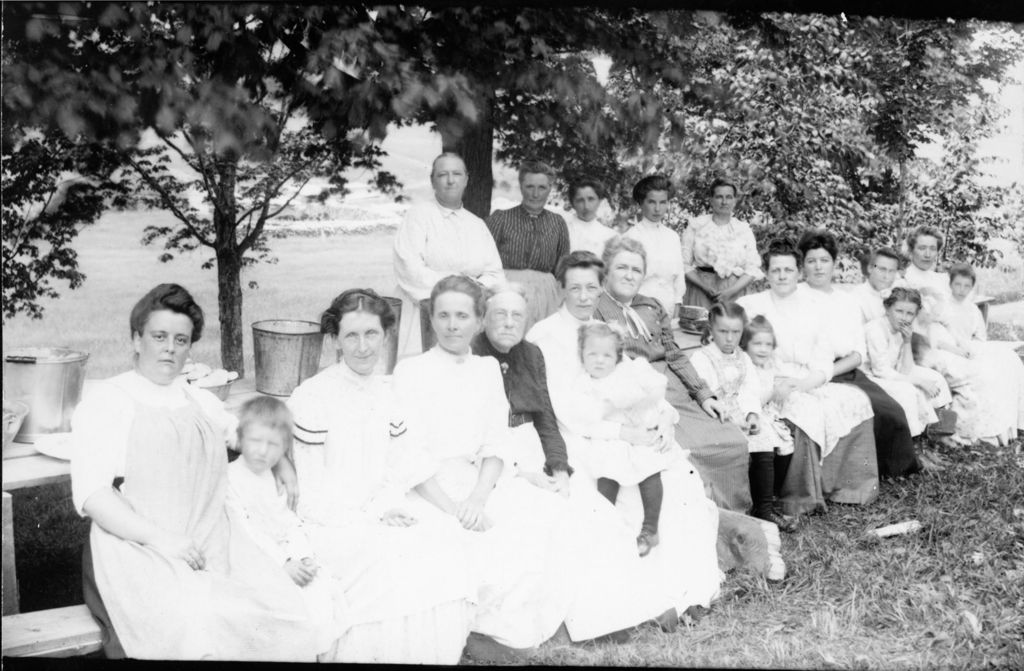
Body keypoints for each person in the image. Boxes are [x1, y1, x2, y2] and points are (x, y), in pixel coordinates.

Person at [71, 283, 334, 661]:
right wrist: (162, 539)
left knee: (283, 609)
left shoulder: (199, 399)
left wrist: (283, 461)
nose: (170, 348)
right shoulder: (108, 401)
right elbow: (94, 497)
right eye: (159, 336)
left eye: (182, 339)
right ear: (135, 339)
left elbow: (244, 436)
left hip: (211, 535)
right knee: (201, 620)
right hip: (139, 547)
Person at [470, 284, 678, 642]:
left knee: (596, 512)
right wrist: (524, 471)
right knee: (551, 523)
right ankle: (581, 618)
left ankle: (625, 605)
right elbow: (479, 434)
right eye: (499, 314)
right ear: (483, 317)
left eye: (516, 315)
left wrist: (560, 467)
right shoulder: (472, 356)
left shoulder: (531, 353)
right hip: (496, 461)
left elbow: (545, 418)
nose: (508, 323)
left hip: (532, 447)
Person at [527, 251, 725, 613]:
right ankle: (639, 601)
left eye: (591, 288)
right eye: (575, 288)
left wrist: (665, 417)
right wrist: (624, 433)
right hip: (580, 433)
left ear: (601, 288)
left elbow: (641, 381)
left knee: (676, 479)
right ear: (561, 288)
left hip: (631, 428)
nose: (584, 297)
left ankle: (682, 591)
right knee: (611, 492)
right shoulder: (546, 336)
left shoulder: (610, 329)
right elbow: (567, 410)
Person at [286, 288, 476, 664]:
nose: (362, 347)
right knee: (391, 558)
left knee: (444, 540)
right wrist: (371, 517)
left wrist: (435, 509)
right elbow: (312, 488)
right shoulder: (312, 396)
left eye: (371, 334)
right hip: (330, 523)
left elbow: (403, 464)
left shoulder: (388, 393)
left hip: (380, 508)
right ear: (335, 341)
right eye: (351, 336)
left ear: (386, 336)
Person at [393, 275, 576, 653]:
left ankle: (508, 625)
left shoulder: (485, 370)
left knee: (542, 513)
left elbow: (496, 443)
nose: (452, 325)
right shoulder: (410, 371)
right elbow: (409, 455)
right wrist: (456, 510)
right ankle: (474, 629)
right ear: (431, 319)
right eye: (443, 315)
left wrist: (478, 498)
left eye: (462, 315)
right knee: (464, 542)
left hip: (479, 481)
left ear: (478, 320)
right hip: (429, 489)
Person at [588, 236, 753, 513]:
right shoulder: (595, 307)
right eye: (622, 268)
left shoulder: (651, 305)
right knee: (688, 453)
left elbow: (675, 355)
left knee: (731, 442)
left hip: (674, 389)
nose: (629, 275)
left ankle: (732, 515)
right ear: (606, 269)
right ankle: (698, 516)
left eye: (636, 270)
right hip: (635, 396)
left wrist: (703, 395)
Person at [736, 239, 879, 516]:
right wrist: (772, 382)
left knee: (855, 400)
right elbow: (739, 350)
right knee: (806, 409)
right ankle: (797, 496)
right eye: (775, 270)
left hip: (805, 379)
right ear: (766, 272)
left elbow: (824, 360)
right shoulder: (750, 305)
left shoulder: (814, 306)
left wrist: (804, 384)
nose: (782, 276)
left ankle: (846, 487)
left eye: (788, 270)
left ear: (798, 272)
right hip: (765, 378)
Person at [797, 229, 920, 479]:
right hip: (807, 371)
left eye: (824, 260)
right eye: (811, 261)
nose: (818, 267)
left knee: (890, 410)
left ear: (834, 264)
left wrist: (831, 372)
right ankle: (863, 472)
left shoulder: (846, 301)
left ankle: (896, 470)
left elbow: (857, 353)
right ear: (803, 265)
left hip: (844, 370)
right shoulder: (796, 295)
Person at [224, 397, 343, 653]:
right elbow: (244, 532)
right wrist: (281, 564)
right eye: (255, 441)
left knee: (321, 593)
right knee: (287, 612)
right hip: (252, 561)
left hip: (286, 556)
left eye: (273, 445)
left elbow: (289, 521)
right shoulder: (230, 479)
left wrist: (302, 555)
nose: (263, 452)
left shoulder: (274, 476)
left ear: (284, 450)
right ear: (241, 438)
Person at [566, 321, 683, 555]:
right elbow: (587, 421)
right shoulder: (584, 385)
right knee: (607, 467)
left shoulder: (628, 373)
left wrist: (662, 415)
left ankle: (650, 529)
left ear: (618, 357)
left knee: (649, 466)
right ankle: (604, 524)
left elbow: (656, 396)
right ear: (582, 355)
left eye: (607, 355)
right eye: (592, 354)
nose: (599, 361)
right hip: (611, 437)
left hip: (641, 428)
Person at [690, 304, 795, 531]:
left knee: (765, 437)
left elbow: (749, 390)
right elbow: (704, 393)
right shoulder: (702, 357)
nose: (729, 339)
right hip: (715, 415)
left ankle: (764, 507)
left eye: (735, 333)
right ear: (711, 329)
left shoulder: (743, 357)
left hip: (740, 412)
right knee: (738, 442)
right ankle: (742, 502)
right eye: (722, 331)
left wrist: (752, 414)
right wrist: (732, 418)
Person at [393, 152, 505, 356]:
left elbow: (496, 275)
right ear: (432, 181)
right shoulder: (418, 216)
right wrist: (460, 287)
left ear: (466, 180)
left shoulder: (477, 225)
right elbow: (409, 269)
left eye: (457, 174)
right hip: (422, 315)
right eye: (443, 174)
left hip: (466, 318)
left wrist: (473, 290)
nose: (451, 180)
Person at [933, 264, 1024, 445]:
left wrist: (972, 349)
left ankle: (1010, 425)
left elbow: (980, 338)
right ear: (950, 284)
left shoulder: (973, 310)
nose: (961, 290)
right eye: (958, 284)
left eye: (967, 286)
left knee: (1008, 362)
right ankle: (982, 430)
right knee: (983, 376)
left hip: (968, 351)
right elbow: (932, 336)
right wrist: (955, 350)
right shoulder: (941, 307)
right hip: (946, 352)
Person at [862, 287, 955, 442]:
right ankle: (913, 444)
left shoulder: (901, 329)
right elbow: (880, 370)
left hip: (892, 373)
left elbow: (906, 369)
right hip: (870, 377)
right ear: (887, 309)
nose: (904, 318)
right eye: (899, 311)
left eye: (910, 313)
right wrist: (919, 381)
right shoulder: (875, 329)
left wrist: (907, 341)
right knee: (909, 391)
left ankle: (933, 437)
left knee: (936, 378)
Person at [486, 159, 570, 330]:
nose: (535, 194)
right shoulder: (501, 218)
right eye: (530, 186)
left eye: (542, 188)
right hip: (507, 290)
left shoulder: (558, 223)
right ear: (521, 186)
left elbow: (563, 267)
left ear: (549, 189)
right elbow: (484, 260)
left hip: (546, 296)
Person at [681, 178, 763, 307]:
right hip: (701, 290)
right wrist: (705, 288)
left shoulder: (743, 229)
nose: (724, 202)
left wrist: (730, 292)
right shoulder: (696, 226)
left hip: (734, 292)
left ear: (735, 200)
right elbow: (684, 264)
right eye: (719, 197)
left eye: (729, 197)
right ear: (711, 200)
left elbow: (752, 268)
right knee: (700, 326)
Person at [623, 175, 687, 316]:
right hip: (639, 307)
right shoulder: (631, 237)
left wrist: (677, 304)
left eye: (663, 202)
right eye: (652, 202)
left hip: (668, 307)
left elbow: (679, 275)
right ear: (641, 203)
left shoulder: (672, 237)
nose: (658, 209)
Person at [563, 176, 617, 256]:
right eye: (580, 200)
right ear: (572, 203)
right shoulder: (561, 230)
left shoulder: (609, 236)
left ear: (599, 201)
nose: (586, 206)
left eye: (591, 199)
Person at [852, 247, 902, 324]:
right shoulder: (856, 298)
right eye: (882, 269)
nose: (886, 276)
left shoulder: (897, 296)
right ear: (870, 268)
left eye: (891, 271)